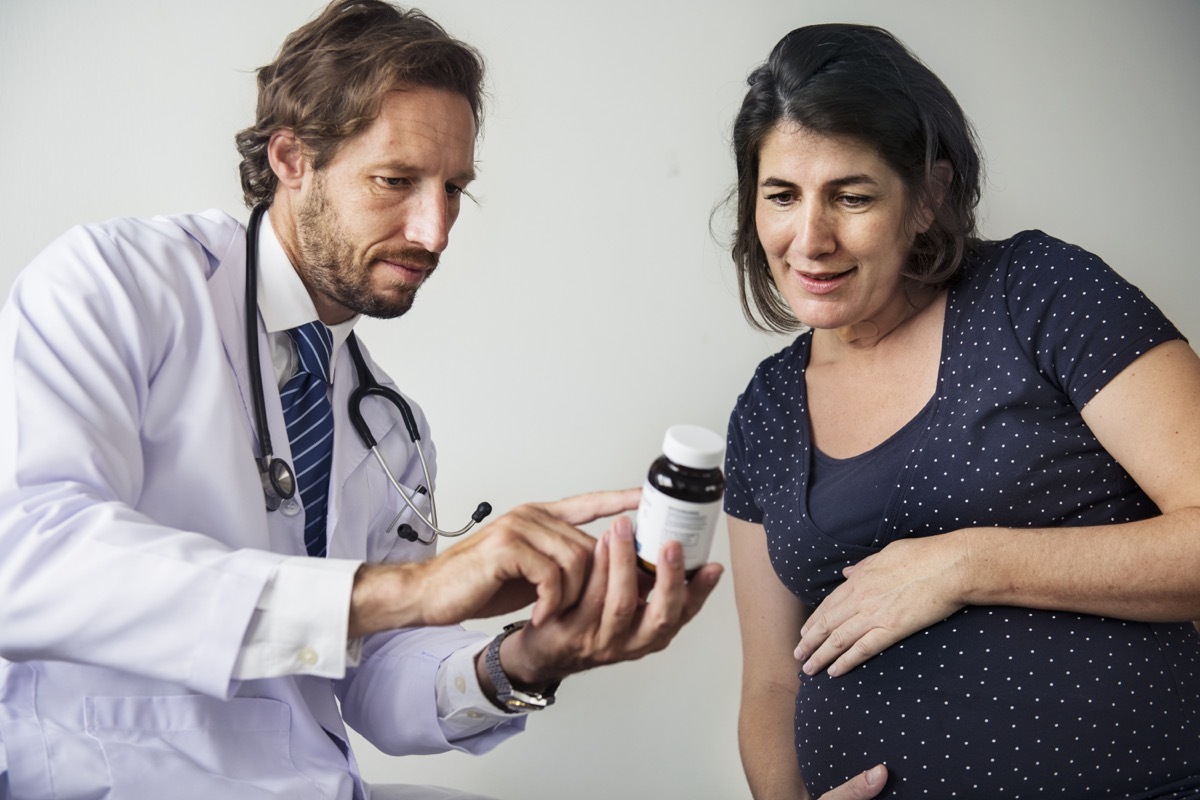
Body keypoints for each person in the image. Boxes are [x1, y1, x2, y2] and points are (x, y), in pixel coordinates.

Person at [0, 3, 734, 798]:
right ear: (292, 157)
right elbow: (28, 558)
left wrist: (523, 660)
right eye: (396, 181)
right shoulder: (118, 285)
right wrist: (413, 588)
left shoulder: (390, 424)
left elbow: (379, 673)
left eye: (454, 189)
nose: (435, 231)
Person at [723, 23, 1200, 800]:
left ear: (928, 196)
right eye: (782, 196)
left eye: (851, 196)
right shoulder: (765, 411)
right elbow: (772, 684)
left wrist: (970, 564)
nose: (810, 239)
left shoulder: (1038, 293)